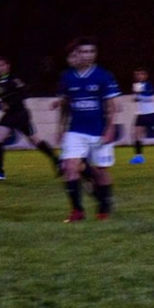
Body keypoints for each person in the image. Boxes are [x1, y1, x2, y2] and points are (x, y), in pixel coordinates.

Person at [56, 37, 121, 222]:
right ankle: (77, 211)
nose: (87, 55)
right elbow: (65, 105)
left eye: (91, 52)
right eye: (84, 52)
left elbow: (111, 106)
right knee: (70, 167)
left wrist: (110, 129)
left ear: (95, 54)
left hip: (99, 131)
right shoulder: (67, 77)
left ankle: (104, 208)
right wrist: (60, 127)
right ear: (78, 54)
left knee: (101, 172)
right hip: (75, 131)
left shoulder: (103, 75)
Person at [0, 55, 60, 181]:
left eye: (1, 65)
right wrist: (4, 103)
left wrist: (11, 102)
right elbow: (5, 97)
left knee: (35, 141)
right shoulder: (0, 81)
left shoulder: (13, 79)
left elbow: (25, 92)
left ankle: (57, 161)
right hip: (11, 114)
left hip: (19, 114)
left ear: (7, 66)